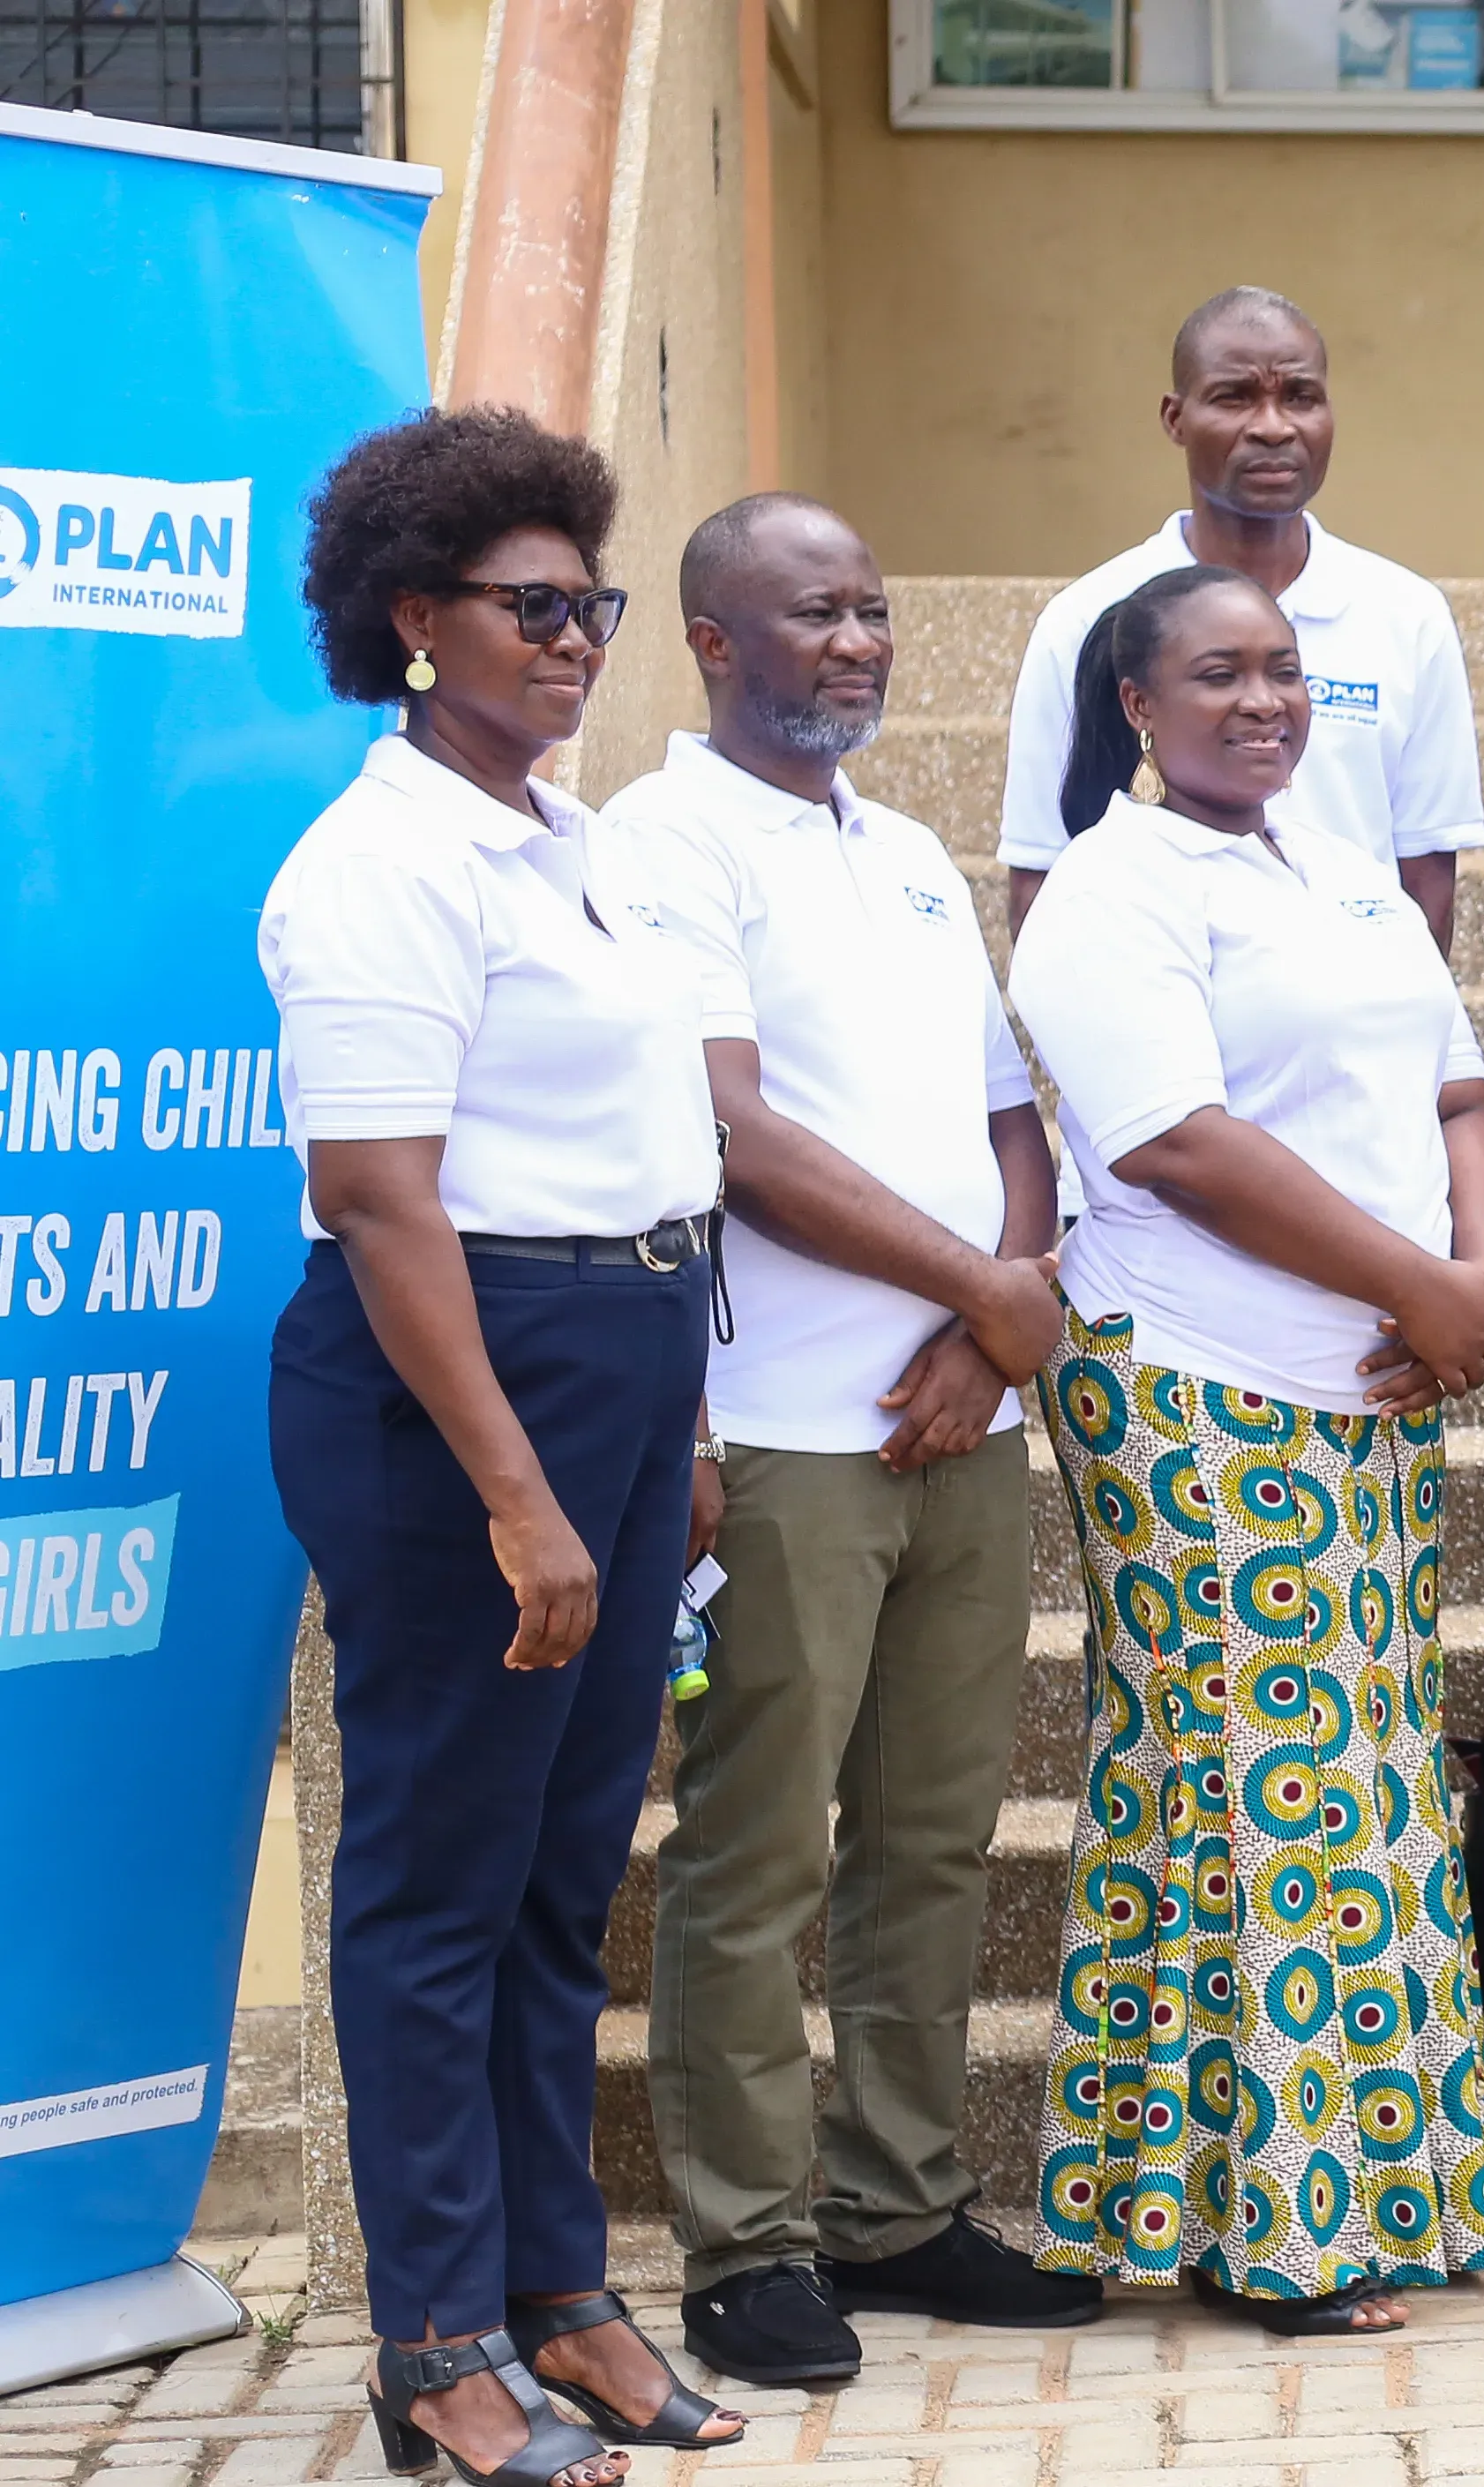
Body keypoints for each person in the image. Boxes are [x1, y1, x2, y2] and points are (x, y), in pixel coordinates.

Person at [267, 407, 736, 2487]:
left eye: (592, 605)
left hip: (619, 1355)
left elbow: (642, 1148)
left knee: (561, 1877)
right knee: (437, 1883)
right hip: (457, 1381)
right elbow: (383, 1197)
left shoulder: (564, 840)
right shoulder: (376, 864)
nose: (576, 642)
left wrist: (678, 1419)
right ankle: (436, 2339)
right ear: (413, 617)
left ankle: (563, 2291)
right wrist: (520, 1491)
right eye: (534, 608)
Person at [606, 494, 1100, 2387]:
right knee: (756, 1848)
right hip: (790, 1432)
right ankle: (744, 2244)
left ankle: (896, 2201)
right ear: (714, 637)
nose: (859, 640)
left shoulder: (900, 849)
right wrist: (987, 1294)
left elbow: (1008, 1116)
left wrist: (1003, 1303)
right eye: (814, 612)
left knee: (932, 1832)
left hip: (951, 1428)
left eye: (876, 610)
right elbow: (732, 1132)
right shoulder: (665, 840)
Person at [1006, 560, 1484, 2334]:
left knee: (1350, 1778)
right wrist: (1422, 1287)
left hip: (1372, 1389)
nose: (1265, 700)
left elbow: (1464, 1089)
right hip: (1199, 1389)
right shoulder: (1105, 891)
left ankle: (1328, 2190)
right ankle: (1275, 2230)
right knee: (1252, 1779)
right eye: (1218, 674)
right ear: (1135, 706)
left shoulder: (1346, 870)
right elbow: (1178, 1145)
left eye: (1287, 671)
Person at [994, 288, 1484, 949]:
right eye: (1235, 397)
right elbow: (1040, 883)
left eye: (1300, 397)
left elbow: (1426, 884)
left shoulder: (1405, 615)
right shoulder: (1088, 619)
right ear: (1175, 418)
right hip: (1159, 1019)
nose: (1274, 427)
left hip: (1347, 1024)